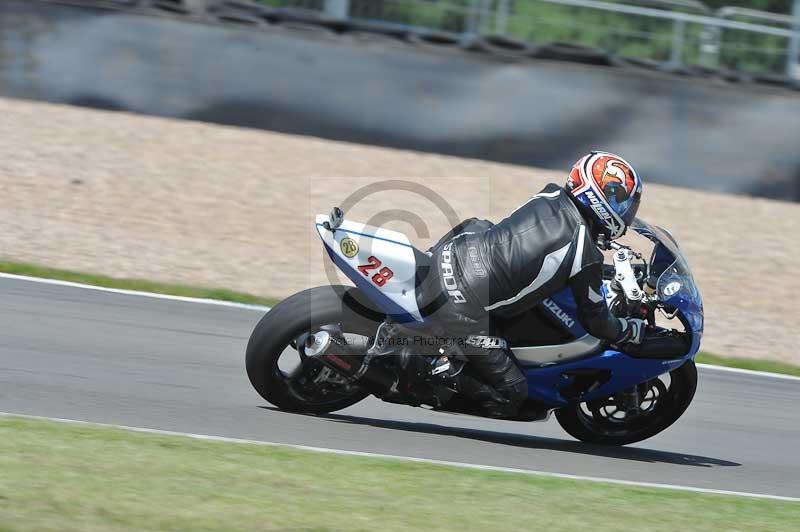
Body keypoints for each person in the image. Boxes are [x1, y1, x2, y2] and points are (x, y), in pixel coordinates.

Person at [419, 151, 646, 418]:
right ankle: (436, 367)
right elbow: (595, 320)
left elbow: (540, 253)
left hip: (452, 253)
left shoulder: (550, 196)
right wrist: (628, 331)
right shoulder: (584, 253)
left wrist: (607, 272)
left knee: (483, 225)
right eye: (621, 202)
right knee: (512, 393)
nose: (627, 213)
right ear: (600, 199)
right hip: (461, 305)